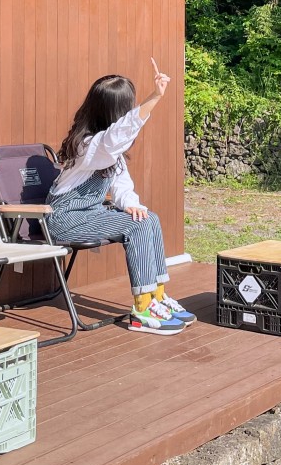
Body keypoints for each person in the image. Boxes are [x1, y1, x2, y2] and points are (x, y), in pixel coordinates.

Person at [47, 59, 196, 335]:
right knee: (136, 225)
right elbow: (116, 138)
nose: (132, 111)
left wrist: (131, 205)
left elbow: (121, 186)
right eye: (128, 106)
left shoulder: (108, 151)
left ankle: (157, 296)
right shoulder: (87, 144)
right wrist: (154, 98)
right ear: (116, 111)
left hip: (88, 214)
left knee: (148, 217)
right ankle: (141, 308)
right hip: (63, 219)